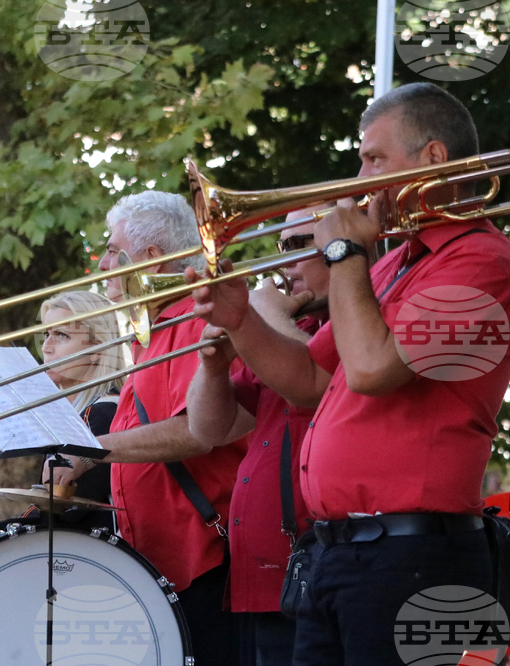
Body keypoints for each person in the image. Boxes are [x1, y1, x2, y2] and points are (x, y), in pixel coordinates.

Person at [189, 82, 510, 665]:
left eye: (374, 159)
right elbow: (310, 381)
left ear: (433, 157)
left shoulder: (485, 262)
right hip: (341, 554)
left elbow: (374, 369)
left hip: (415, 558)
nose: (360, 179)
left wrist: (345, 256)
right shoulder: (396, 262)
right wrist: (239, 318)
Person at [50, 190, 248, 666]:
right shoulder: (153, 334)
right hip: (163, 563)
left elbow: (193, 433)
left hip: (203, 561)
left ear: (152, 259)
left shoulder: (191, 324)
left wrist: (89, 450)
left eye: (113, 252)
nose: (103, 266)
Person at [186, 208, 331, 666]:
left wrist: (259, 318)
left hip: (320, 571)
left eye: (299, 245)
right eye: (282, 247)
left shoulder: (357, 326)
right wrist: (213, 363)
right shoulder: (295, 330)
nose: (285, 264)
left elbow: (320, 384)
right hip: (266, 578)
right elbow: (209, 429)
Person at [39, 290, 125, 530]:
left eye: (61, 335)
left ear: (97, 350)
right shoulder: (75, 415)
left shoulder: (104, 414)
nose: (46, 347)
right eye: (46, 334)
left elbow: (64, 515)